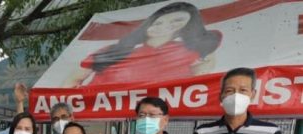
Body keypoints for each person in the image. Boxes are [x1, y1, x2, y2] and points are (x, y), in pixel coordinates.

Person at [66, 2, 221, 87]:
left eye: (177, 21)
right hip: (98, 118)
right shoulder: (114, 50)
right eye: (159, 21)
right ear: (149, 22)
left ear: (187, 26)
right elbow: (72, 81)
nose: (164, 27)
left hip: (155, 119)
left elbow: (199, 86)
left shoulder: (193, 53)